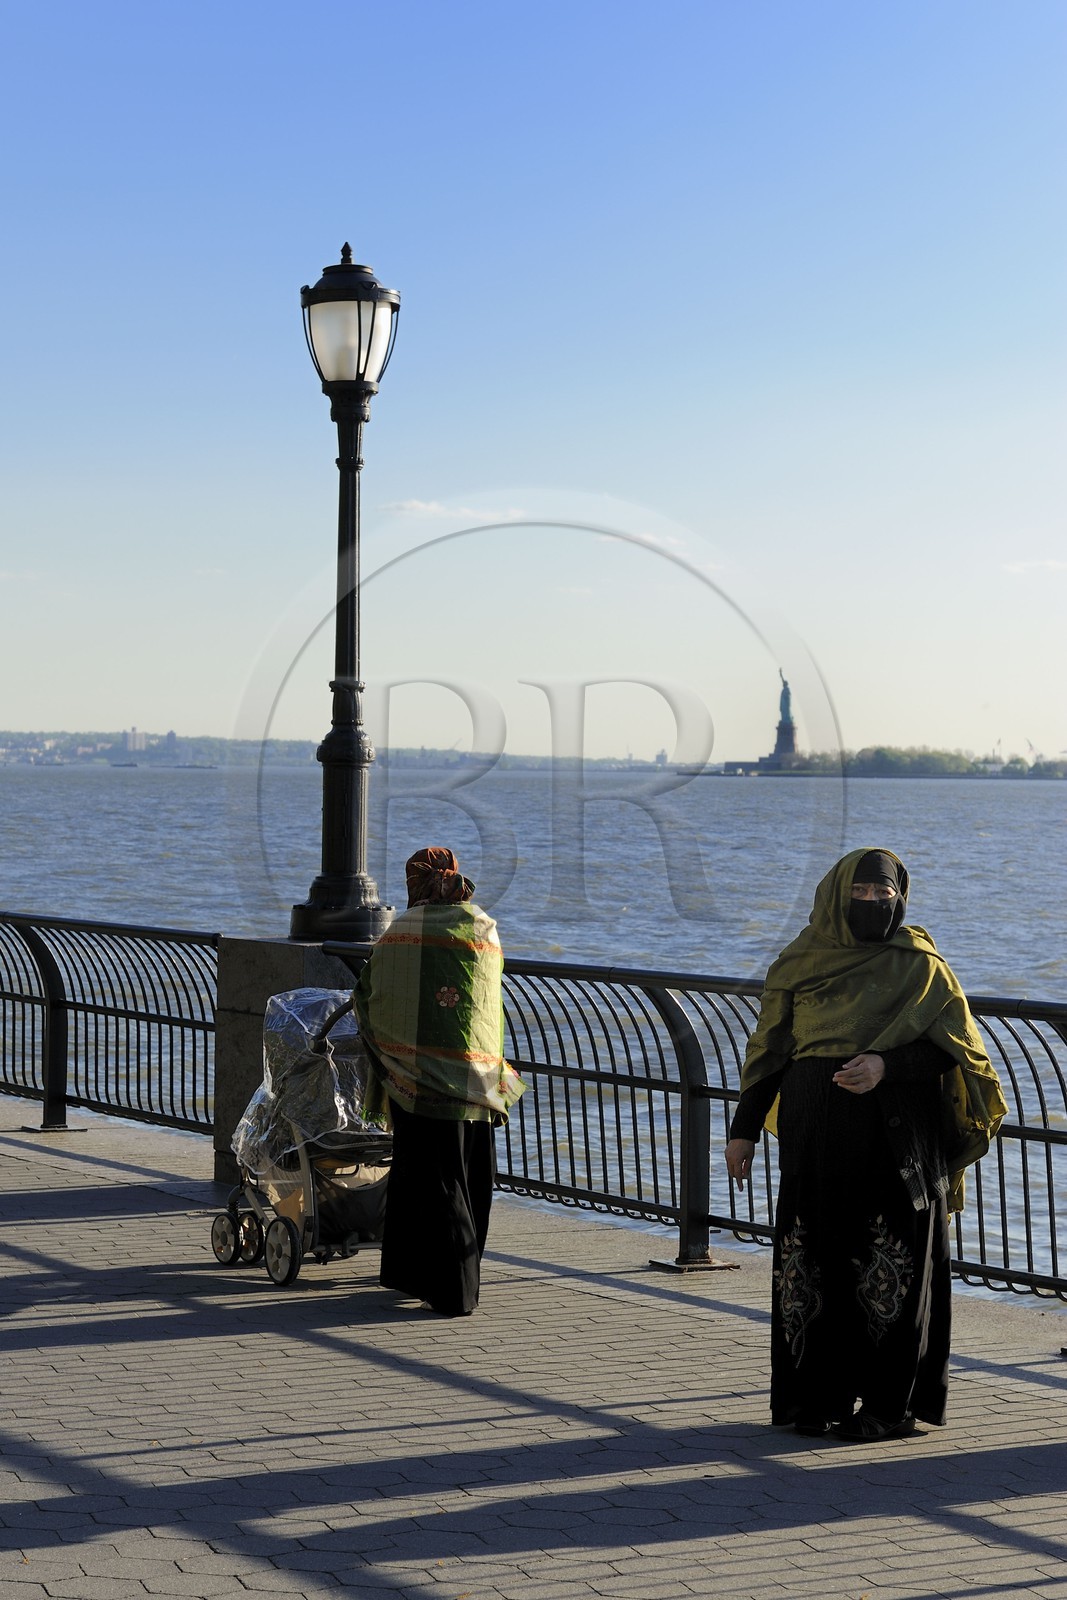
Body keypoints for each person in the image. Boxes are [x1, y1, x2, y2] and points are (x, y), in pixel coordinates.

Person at [724, 848, 1006, 1442]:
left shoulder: (919, 964)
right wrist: (742, 1130)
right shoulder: (800, 960)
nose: (874, 903)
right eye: (861, 893)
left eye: (885, 894)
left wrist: (885, 1065)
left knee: (891, 1265)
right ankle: (815, 1398)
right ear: (835, 895)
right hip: (813, 1137)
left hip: (896, 1137)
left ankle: (890, 1407)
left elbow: (955, 1052)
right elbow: (770, 1050)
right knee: (812, 1262)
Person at [353, 847, 526, 1316]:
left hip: (420, 1083)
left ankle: (453, 1291)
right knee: (471, 1178)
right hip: (481, 1077)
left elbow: (371, 995)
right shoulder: (483, 926)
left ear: (416, 885)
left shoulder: (401, 932)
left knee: (432, 1181)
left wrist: (394, 1054)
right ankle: (422, 1275)